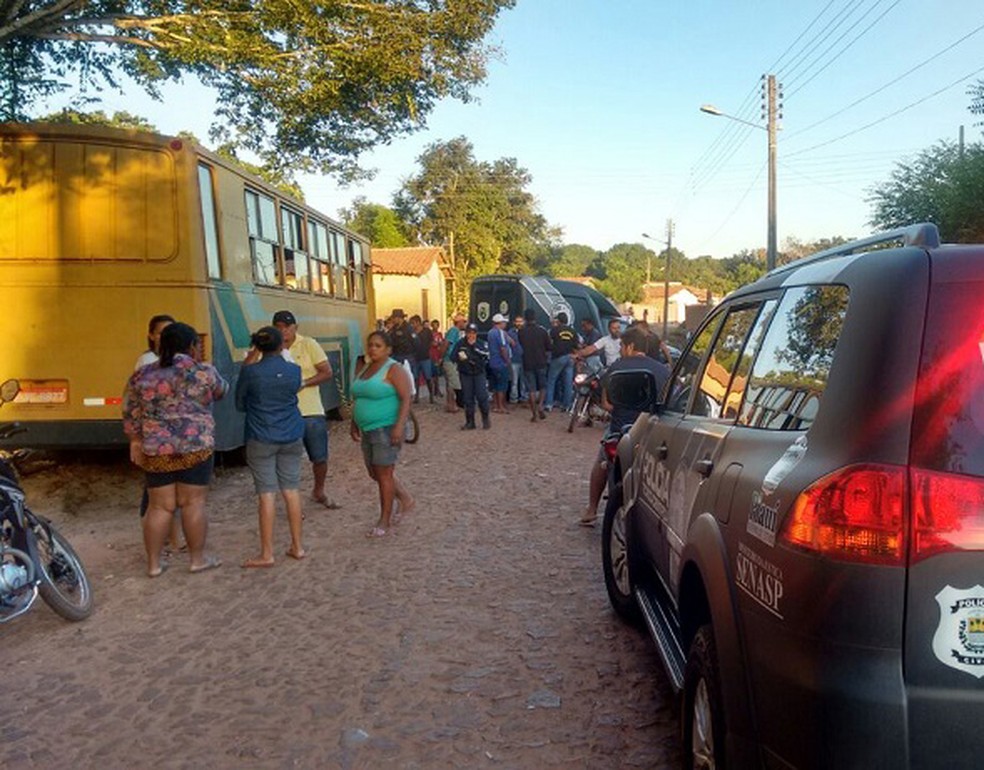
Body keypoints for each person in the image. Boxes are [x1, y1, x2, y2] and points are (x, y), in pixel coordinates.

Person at [123, 322, 228, 577]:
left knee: (159, 507)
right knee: (193, 503)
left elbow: (130, 411)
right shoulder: (203, 371)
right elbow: (222, 391)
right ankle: (197, 560)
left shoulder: (142, 374)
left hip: (156, 449)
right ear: (192, 346)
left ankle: (154, 565)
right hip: (196, 447)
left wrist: (135, 440)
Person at [579, 326, 670, 527]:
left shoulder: (616, 368)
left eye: (621, 346)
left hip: (620, 428)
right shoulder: (662, 370)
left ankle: (592, 508)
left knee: (601, 462)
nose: (620, 349)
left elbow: (606, 404)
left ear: (629, 346)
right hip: (650, 431)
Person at [236, 326, 307, 567]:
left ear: (257, 346)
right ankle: (297, 546)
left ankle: (267, 553)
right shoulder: (294, 371)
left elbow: (239, 403)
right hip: (291, 433)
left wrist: (250, 358)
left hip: (261, 435)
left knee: (266, 494)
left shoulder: (250, 372)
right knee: (291, 490)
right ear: (281, 346)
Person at [264, 310, 338, 511]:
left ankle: (319, 490)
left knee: (319, 456)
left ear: (295, 327)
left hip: (311, 410)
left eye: (287, 327)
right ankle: (292, 502)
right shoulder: (271, 350)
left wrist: (304, 383)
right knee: (289, 461)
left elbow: (326, 372)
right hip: (284, 413)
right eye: (279, 327)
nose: (284, 331)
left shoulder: (309, 345)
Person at [350, 331, 415, 538]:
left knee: (384, 474)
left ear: (388, 349)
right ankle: (405, 498)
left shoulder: (393, 369)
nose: (372, 349)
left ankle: (384, 520)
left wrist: (399, 426)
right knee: (375, 473)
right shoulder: (365, 368)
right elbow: (358, 397)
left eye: (378, 346)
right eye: (370, 345)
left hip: (386, 428)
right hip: (367, 428)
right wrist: (354, 421)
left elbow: (406, 399)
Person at [133, 314, 183, 554]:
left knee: (170, 489)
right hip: (157, 435)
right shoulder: (147, 362)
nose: (165, 337)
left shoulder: (174, 360)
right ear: (151, 335)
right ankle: (159, 541)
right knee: (154, 494)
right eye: (161, 332)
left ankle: (172, 540)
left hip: (173, 436)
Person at [452, 322, 491, 430]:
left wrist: (475, 350)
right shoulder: (460, 344)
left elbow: (487, 355)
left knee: (482, 396)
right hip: (465, 374)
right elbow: (452, 356)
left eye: (473, 333)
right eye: (469, 333)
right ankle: (470, 422)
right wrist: (460, 358)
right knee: (467, 398)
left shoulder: (481, 343)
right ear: (465, 333)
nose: (471, 335)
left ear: (476, 333)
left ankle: (485, 418)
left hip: (479, 373)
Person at [518, 307, 551, 422]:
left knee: (531, 389)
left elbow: (520, 345)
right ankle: (541, 404)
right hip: (541, 361)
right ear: (535, 317)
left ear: (525, 318)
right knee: (543, 386)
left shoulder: (521, 332)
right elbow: (549, 347)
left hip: (528, 362)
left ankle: (534, 414)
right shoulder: (542, 331)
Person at [545, 311, 579, 413]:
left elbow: (549, 343)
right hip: (570, 357)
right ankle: (566, 406)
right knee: (568, 382)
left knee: (551, 381)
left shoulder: (554, 330)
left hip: (558, 357)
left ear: (558, 321)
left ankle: (549, 404)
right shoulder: (573, 331)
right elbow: (576, 345)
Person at [441, 313, 466, 413]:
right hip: (450, 360)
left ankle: (449, 404)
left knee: (450, 383)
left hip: (451, 359)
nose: (465, 323)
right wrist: (441, 357)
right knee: (453, 383)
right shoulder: (454, 331)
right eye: (463, 321)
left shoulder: (457, 331)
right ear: (459, 322)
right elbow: (446, 344)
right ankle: (451, 404)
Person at [487, 313, 512, 414]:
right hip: (500, 362)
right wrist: (507, 360)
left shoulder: (490, 332)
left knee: (495, 385)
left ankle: (495, 405)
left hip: (492, 362)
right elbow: (503, 348)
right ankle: (501, 406)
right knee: (502, 385)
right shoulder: (500, 333)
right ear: (500, 323)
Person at [410, 314, 436, 404]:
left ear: (418, 322)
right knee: (416, 378)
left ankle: (431, 396)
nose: (412, 325)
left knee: (428, 377)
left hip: (425, 358)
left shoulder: (427, 331)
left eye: (413, 323)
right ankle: (416, 397)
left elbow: (432, 341)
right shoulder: (412, 333)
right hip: (415, 358)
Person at [507, 315, 527, 404]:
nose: (519, 323)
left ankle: (523, 398)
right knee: (514, 381)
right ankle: (513, 399)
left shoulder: (527, 331)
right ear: (514, 322)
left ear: (524, 322)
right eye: (517, 321)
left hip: (524, 359)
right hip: (514, 359)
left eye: (521, 321)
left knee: (524, 381)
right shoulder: (510, 332)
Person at [428, 320, 445, 398]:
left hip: (438, 355)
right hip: (432, 354)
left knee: (437, 374)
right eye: (434, 325)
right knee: (432, 374)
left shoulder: (439, 334)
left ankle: (437, 389)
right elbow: (432, 343)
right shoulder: (430, 334)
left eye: (437, 325)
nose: (435, 327)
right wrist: (438, 344)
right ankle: (432, 391)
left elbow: (442, 343)